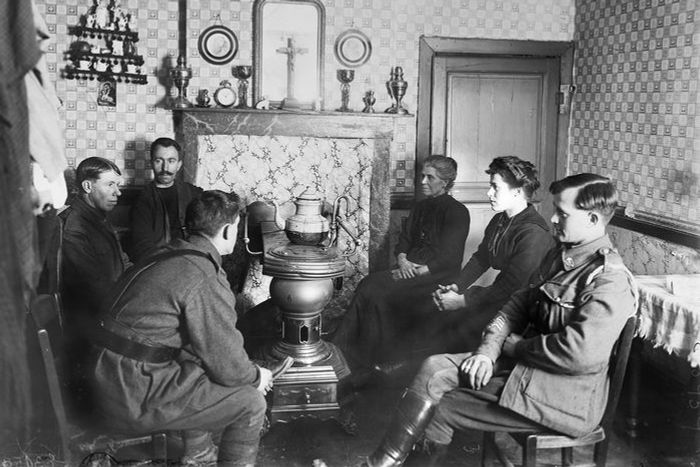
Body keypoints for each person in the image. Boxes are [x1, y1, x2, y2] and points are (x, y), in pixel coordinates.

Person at [361, 173, 637, 466]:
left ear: (593, 220)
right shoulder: (561, 257)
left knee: (439, 404)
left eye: (563, 213)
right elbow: (517, 303)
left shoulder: (609, 280)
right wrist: (487, 352)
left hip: (561, 398)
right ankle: (381, 463)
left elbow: (578, 355)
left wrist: (513, 348)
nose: (553, 219)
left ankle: (380, 463)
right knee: (434, 365)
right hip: (526, 372)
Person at [92, 190, 289, 466]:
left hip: (105, 375)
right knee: (250, 403)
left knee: (197, 362)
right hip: (132, 393)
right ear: (228, 230)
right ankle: (206, 456)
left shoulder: (165, 253)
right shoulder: (203, 274)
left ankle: (199, 456)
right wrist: (257, 377)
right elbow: (228, 366)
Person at [379, 156, 555, 367]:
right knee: (433, 310)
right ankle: (407, 370)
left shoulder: (533, 232)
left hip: (520, 310)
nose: (489, 193)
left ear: (517, 192)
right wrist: (457, 286)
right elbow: (482, 258)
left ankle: (431, 373)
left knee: (457, 324)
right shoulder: (501, 220)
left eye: (495, 187)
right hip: (501, 297)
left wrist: (463, 300)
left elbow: (511, 287)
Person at [332, 155, 470, 378]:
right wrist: (403, 260)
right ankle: (343, 351)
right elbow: (404, 240)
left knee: (378, 291)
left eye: (429, 177)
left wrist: (420, 271)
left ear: (444, 182)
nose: (423, 181)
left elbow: (450, 258)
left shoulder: (457, 212)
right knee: (370, 284)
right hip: (409, 269)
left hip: (436, 275)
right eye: (422, 176)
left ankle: (374, 358)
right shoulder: (420, 207)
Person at [60, 156, 130, 331]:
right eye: (110, 185)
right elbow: (92, 286)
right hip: (89, 322)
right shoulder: (74, 226)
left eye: (118, 185)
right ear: (88, 187)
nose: (118, 192)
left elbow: (124, 262)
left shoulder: (98, 218)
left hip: (108, 308)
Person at [128, 137, 202, 261]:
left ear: (179, 165)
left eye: (171, 161)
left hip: (192, 258)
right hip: (160, 261)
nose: (165, 168)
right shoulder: (143, 199)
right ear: (151, 163)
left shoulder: (192, 192)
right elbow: (142, 245)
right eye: (159, 161)